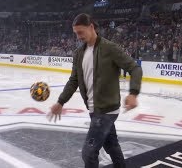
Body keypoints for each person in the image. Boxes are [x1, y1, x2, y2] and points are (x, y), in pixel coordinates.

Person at [47, 13, 142, 168]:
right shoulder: (79, 53)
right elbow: (74, 81)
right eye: (76, 33)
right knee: (112, 146)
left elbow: (135, 68)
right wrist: (60, 102)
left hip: (106, 110)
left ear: (91, 27)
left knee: (89, 153)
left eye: (80, 32)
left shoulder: (109, 48)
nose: (78, 37)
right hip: (93, 109)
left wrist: (133, 93)